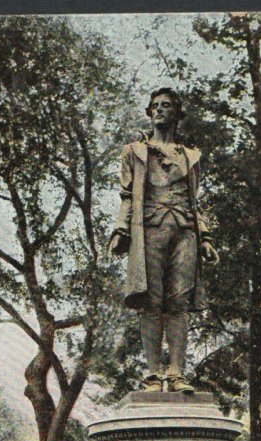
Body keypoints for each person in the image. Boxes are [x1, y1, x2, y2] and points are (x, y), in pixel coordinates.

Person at [108, 87, 219, 393]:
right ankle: (154, 375)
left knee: (179, 302)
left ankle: (178, 373)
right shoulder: (135, 151)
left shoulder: (190, 156)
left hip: (184, 230)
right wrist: (121, 230)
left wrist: (205, 236)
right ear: (149, 112)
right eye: (155, 105)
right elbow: (128, 195)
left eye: (166, 105)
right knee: (152, 301)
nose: (159, 109)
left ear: (177, 113)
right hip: (150, 230)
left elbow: (196, 200)